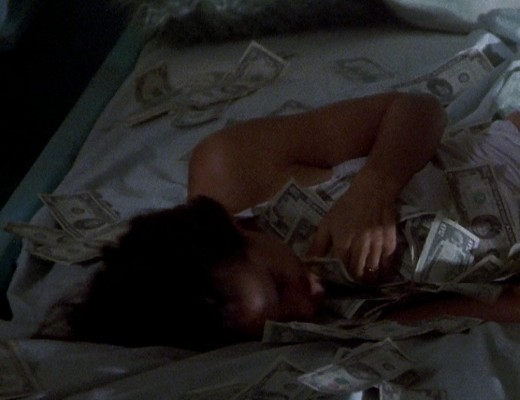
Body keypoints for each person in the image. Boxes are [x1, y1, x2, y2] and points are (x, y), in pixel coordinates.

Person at [69, 92, 520, 350]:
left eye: (279, 283)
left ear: (234, 228)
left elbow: (418, 108)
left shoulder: (229, 166)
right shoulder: (286, 321)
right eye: (282, 319)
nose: (306, 305)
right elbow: (443, 310)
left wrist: (372, 189)